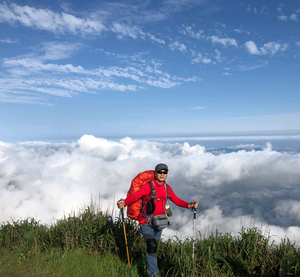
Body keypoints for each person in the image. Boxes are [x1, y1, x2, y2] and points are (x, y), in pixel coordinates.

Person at [117, 163, 199, 277]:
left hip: (160, 222)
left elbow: (176, 200)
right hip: (146, 221)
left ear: (167, 174)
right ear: (155, 173)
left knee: (153, 248)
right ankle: (153, 274)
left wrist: (189, 205)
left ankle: (152, 271)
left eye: (164, 172)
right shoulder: (148, 186)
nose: (162, 174)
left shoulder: (167, 188)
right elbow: (136, 196)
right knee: (151, 245)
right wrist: (124, 203)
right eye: (159, 172)